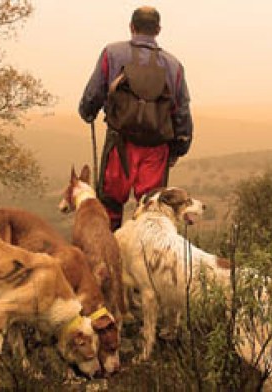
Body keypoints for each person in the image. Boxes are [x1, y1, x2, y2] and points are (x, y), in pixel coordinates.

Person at [79, 6, 193, 231]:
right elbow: (181, 111)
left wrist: (87, 112)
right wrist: (179, 148)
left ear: (131, 27)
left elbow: (94, 94)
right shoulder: (174, 65)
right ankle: (145, 259)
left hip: (119, 143)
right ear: (158, 30)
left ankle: (108, 258)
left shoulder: (111, 54)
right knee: (150, 209)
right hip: (156, 148)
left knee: (110, 205)